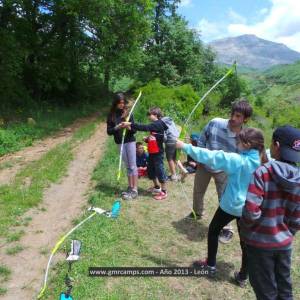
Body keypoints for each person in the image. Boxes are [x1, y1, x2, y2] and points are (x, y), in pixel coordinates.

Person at [176, 127, 267, 285]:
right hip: (250, 208)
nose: (235, 142)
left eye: (238, 141)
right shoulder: (264, 161)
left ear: (247, 144)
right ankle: (243, 276)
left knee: (213, 230)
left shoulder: (238, 160)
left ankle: (210, 265)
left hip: (231, 206)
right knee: (245, 242)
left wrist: (183, 146)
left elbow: (210, 156)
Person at [240, 125, 300, 299]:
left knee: (265, 291)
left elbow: (251, 212)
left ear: (276, 145)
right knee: (284, 289)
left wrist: (246, 231)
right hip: (284, 244)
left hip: (259, 244)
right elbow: (297, 219)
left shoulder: (262, 173)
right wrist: (287, 234)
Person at [190, 99, 253, 244]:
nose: (233, 118)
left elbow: (242, 159)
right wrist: (200, 156)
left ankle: (227, 228)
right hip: (205, 165)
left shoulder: (245, 137)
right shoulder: (215, 122)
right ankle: (197, 212)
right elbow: (202, 138)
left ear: (246, 119)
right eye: (232, 114)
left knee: (225, 198)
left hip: (224, 170)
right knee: (198, 191)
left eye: (238, 116)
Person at [122, 107, 168, 200]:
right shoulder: (156, 125)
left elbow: (145, 127)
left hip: (158, 153)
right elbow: (156, 138)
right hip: (152, 151)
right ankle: (157, 187)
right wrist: (147, 139)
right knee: (151, 169)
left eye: (149, 115)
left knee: (159, 170)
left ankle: (164, 191)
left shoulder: (158, 124)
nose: (148, 117)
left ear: (155, 115)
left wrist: (130, 123)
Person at [106, 93, 138, 200]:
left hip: (129, 141)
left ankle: (135, 189)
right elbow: (109, 132)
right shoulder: (111, 115)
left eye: (123, 102)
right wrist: (117, 127)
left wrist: (128, 126)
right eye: (120, 103)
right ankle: (130, 187)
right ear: (115, 103)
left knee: (133, 165)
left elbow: (134, 130)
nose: (122, 105)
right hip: (120, 142)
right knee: (127, 165)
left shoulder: (128, 114)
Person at [161, 116, 180, 181]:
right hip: (177, 140)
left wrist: (162, 140)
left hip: (170, 141)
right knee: (175, 158)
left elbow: (164, 137)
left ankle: (174, 175)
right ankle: (180, 172)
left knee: (170, 159)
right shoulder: (170, 120)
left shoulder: (161, 122)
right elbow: (177, 129)